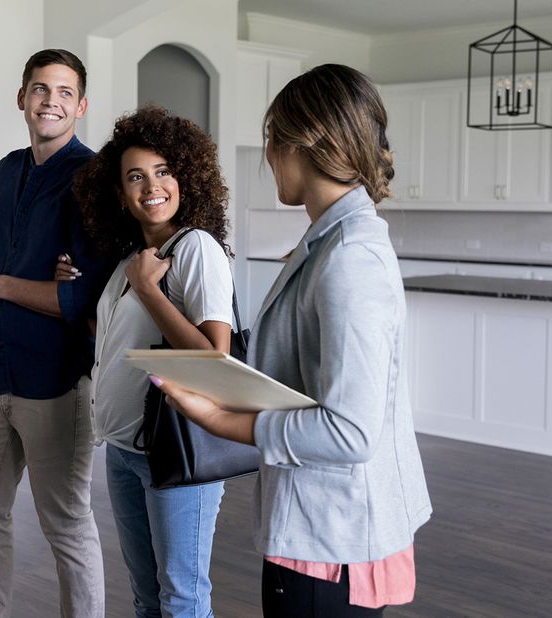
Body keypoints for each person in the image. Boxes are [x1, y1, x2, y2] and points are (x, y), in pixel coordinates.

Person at [152, 64, 433, 616]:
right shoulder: (337, 239)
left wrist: (219, 420)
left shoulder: (351, 256)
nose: (267, 159)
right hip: (327, 530)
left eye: (270, 142)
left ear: (301, 143)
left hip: (333, 540)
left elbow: (349, 433)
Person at [0, 48, 109, 618]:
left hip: (56, 385)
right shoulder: (6, 170)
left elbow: (84, 299)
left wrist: (2, 286)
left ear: (81, 106)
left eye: (65, 93)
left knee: (66, 526)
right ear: (22, 98)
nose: (51, 101)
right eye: (41, 89)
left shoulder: (93, 178)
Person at [58, 105, 235, 617]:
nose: (150, 186)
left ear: (186, 178)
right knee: (146, 594)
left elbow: (213, 357)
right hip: (123, 449)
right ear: (120, 193)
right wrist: (76, 286)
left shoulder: (195, 248)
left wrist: (147, 291)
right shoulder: (131, 261)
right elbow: (113, 341)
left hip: (174, 450)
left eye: (163, 171)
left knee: (181, 596)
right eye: (135, 176)